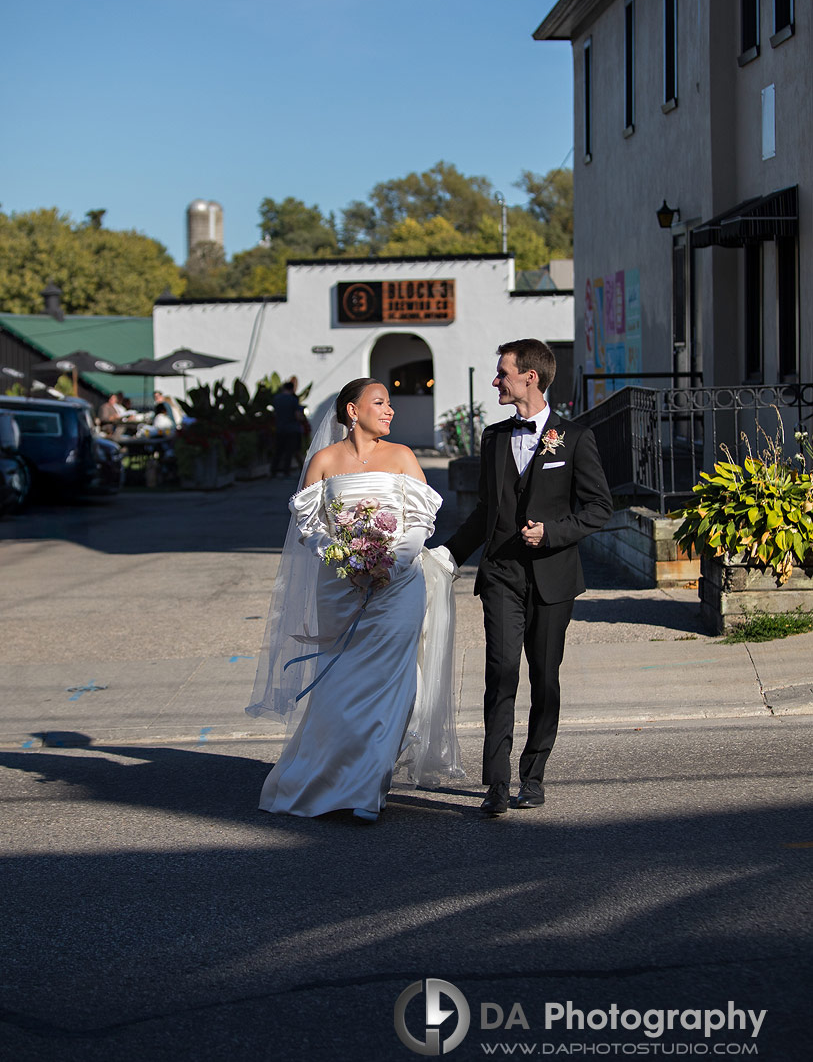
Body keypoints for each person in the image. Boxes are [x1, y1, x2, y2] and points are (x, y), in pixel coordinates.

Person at [246, 377, 462, 821]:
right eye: (380, 403)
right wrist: (347, 560)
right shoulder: (324, 461)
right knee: (340, 687)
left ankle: (367, 788)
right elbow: (309, 526)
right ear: (351, 411)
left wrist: (389, 564)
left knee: (393, 684)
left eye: (390, 404)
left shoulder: (401, 456)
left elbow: (421, 522)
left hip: (398, 586)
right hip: (341, 587)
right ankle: (327, 776)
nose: (390, 411)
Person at [436, 339, 612, 817]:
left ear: (530, 377)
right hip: (501, 575)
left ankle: (533, 775)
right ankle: (496, 783)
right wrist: (444, 557)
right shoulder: (493, 438)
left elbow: (599, 508)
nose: (497, 381)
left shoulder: (573, 438)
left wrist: (552, 532)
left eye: (503, 374)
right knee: (500, 673)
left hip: (553, 577)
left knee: (545, 677)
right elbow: (484, 513)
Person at [271, 381, 306, 478]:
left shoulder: (276, 399)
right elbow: (298, 415)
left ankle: (273, 471)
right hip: (292, 428)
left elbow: (274, 413)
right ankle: (287, 471)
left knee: (278, 450)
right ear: (292, 389)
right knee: (291, 451)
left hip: (280, 428)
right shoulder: (293, 400)